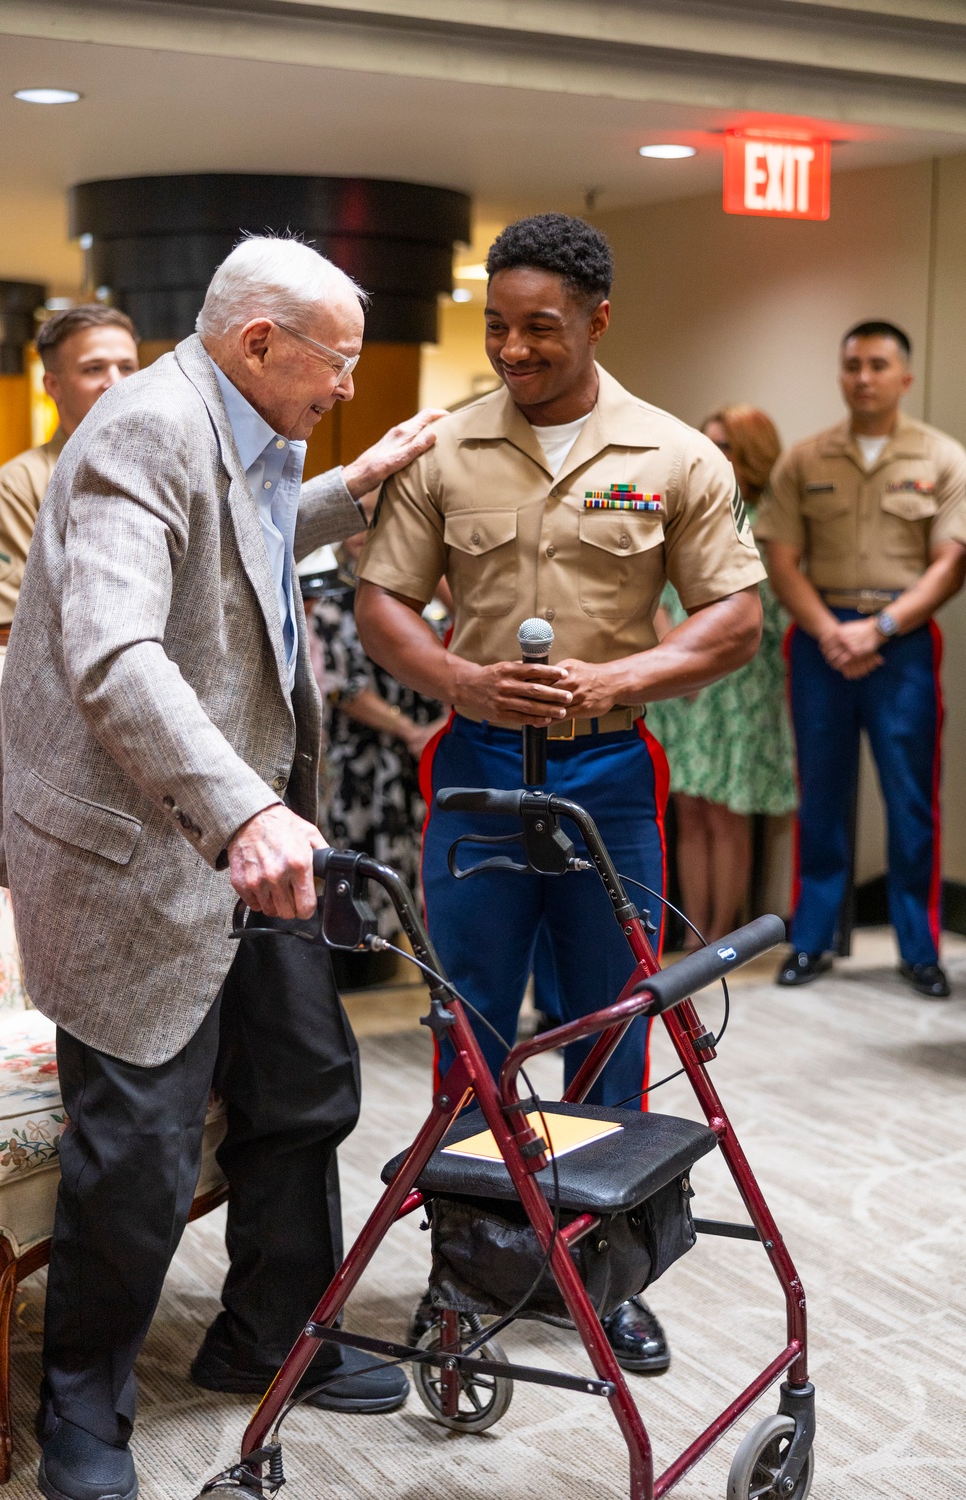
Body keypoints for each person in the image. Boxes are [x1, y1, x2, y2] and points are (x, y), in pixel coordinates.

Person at [0, 235, 445, 1500]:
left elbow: (243, 535)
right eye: (333, 365)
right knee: (138, 1147)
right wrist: (241, 813)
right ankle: (84, 1412)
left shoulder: (233, 425)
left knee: (304, 1087)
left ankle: (265, 1337)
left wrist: (356, 485)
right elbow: (116, 652)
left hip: (247, 838)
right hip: (141, 845)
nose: (346, 386)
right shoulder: (139, 432)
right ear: (255, 344)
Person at [354, 213, 765, 1375]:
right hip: (478, 769)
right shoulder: (444, 452)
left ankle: (599, 1267)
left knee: (610, 1019)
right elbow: (384, 599)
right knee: (467, 1021)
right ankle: (470, 1255)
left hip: (607, 774)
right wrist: (452, 674)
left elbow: (732, 618)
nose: (514, 348)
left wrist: (621, 674)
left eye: (540, 326)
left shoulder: (675, 454)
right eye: (497, 326)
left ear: (596, 319)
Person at [756, 320, 966, 999]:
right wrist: (830, 631)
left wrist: (878, 628)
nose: (864, 377)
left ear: (904, 377)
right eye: (852, 365)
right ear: (840, 374)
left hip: (900, 640)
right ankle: (812, 940)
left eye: (878, 365)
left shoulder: (942, 458)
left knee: (911, 800)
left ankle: (919, 947)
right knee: (820, 792)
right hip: (821, 641)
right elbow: (780, 557)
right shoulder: (805, 459)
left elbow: (951, 561)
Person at [650, 406, 797, 948]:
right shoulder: (686, 514)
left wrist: (702, 658)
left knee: (727, 812)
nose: (713, 454)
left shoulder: (767, 526)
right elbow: (654, 592)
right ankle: (693, 936)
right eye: (707, 442)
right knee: (688, 809)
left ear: (751, 457)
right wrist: (673, 654)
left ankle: (723, 933)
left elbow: (757, 613)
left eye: (727, 446)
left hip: (736, 684)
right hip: (678, 677)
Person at [307, 505, 448, 965]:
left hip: (429, 751)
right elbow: (341, 689)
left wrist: (438, 728)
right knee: (362, 857)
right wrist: (411, 730)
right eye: (352, 527)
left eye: (373, 526)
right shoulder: (330, 602)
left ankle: (428, 957)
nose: (362, 536)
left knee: (426, 854)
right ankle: (367, 962)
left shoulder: (428, 598)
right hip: (364, 758)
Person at [0, 304, 140, 628]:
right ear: (53, 386)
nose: (115, 382)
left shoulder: (171, 468)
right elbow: (22, 633)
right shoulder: (15, 488)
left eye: (127, 367)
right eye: (94, 369)